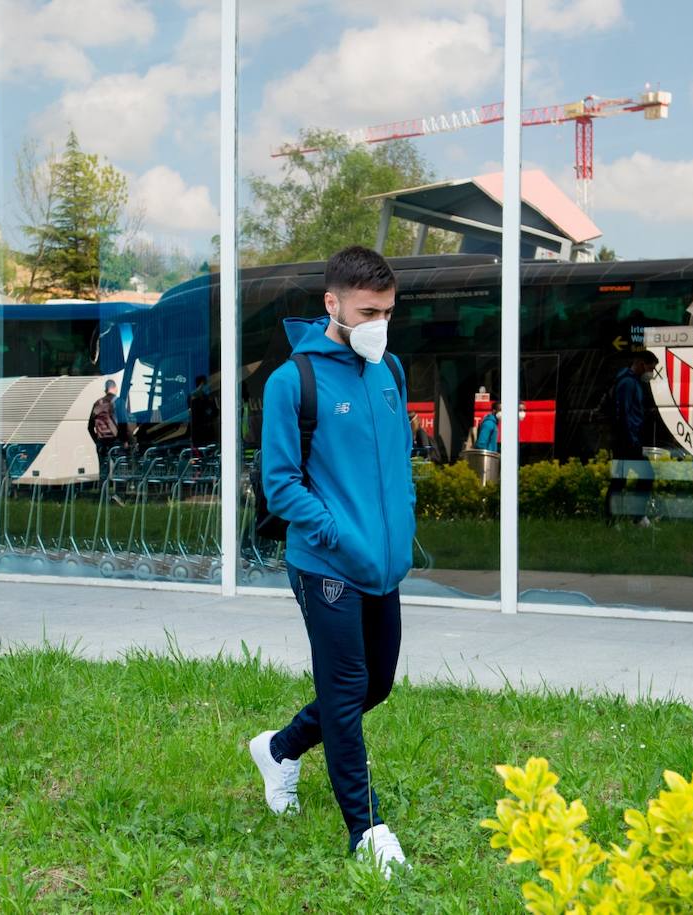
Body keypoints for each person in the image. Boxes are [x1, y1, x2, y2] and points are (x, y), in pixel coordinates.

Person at [250, 245, 414, 879]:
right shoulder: (293, 380)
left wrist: (403, 519)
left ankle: (281, 748)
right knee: (345, 691)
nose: (380, 323)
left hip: (383, 562)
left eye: (388, 311)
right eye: (368, 311)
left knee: (377, 685)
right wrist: (336, 532)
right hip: (325, 564)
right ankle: (365, 829)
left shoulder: (390, 371)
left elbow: (399, 464)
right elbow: (281, 482)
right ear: (332, 303)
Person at [607, 351, 659, 525]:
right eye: (650, 368)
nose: (651, 372)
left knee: (619, 481)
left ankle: (613, 520)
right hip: (627, 440)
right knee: (646, 475)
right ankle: (636, 517)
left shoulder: (631, 381)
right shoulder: (628, 383)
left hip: (627, 438)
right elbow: (625, 413)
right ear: (641, 363)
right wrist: (632, 440)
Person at [88, 379, 120, 474]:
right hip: (115, 441)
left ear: (105, 389)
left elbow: (89, 426)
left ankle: (103, 487)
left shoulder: (97, 403)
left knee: (103, 470)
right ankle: (118, 487)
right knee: (119, 471)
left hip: (101, 442)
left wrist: (97, 441)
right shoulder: (118, 402)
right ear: (115, 388)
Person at [189, 375, 219, 448]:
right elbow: (211, 412)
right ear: (202, 383)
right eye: (206, 383)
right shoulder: (201, 398)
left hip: (201, 431)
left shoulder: (194, 397)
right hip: (202, 431)